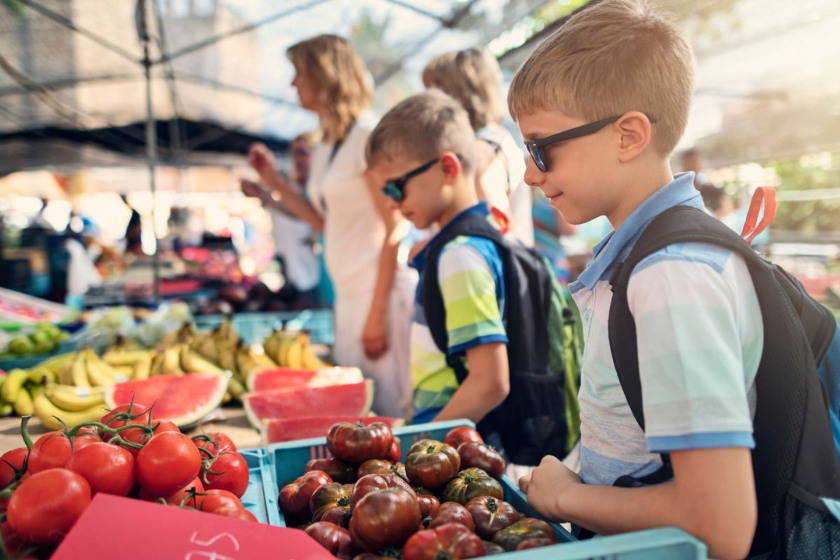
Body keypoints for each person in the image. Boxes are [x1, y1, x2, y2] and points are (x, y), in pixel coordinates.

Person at [507, 1, 761, 557]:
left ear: (628, 136)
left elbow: (721, 522)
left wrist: (565, 498)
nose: (529, 173)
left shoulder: (671, 278)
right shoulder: (641, 264)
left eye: (541, 148)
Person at [243, 35, 416, 419]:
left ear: (325, 77)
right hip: (350, 296)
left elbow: (395, 226)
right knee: (364, 418)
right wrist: (272, 178)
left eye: (299, 73)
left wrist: (375, 315)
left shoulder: (368, 137)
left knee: (389, 410)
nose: (293, 84)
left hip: (379, 296)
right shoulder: (327, 144)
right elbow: (323, 222)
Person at [365, 89, 510, 434]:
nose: (390, 203)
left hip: (453, 446)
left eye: (395, 188)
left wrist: (421, 443)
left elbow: (490, 382)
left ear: (447, 168)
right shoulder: (461, 244)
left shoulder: (459, 255)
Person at [422, 48, 534, 247]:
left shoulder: (480, 151)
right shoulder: (500, 140)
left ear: (458, 94)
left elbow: (496, 238)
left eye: (433, 92)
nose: (428, 104)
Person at [242, 132, 322, 306]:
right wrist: (262, 193)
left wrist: (268, 188)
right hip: (291, 273)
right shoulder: (291, 188)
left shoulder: (318, 191)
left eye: (304, 152)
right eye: (294, 153)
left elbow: (303, 214)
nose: (298, 158)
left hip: (315, 278)